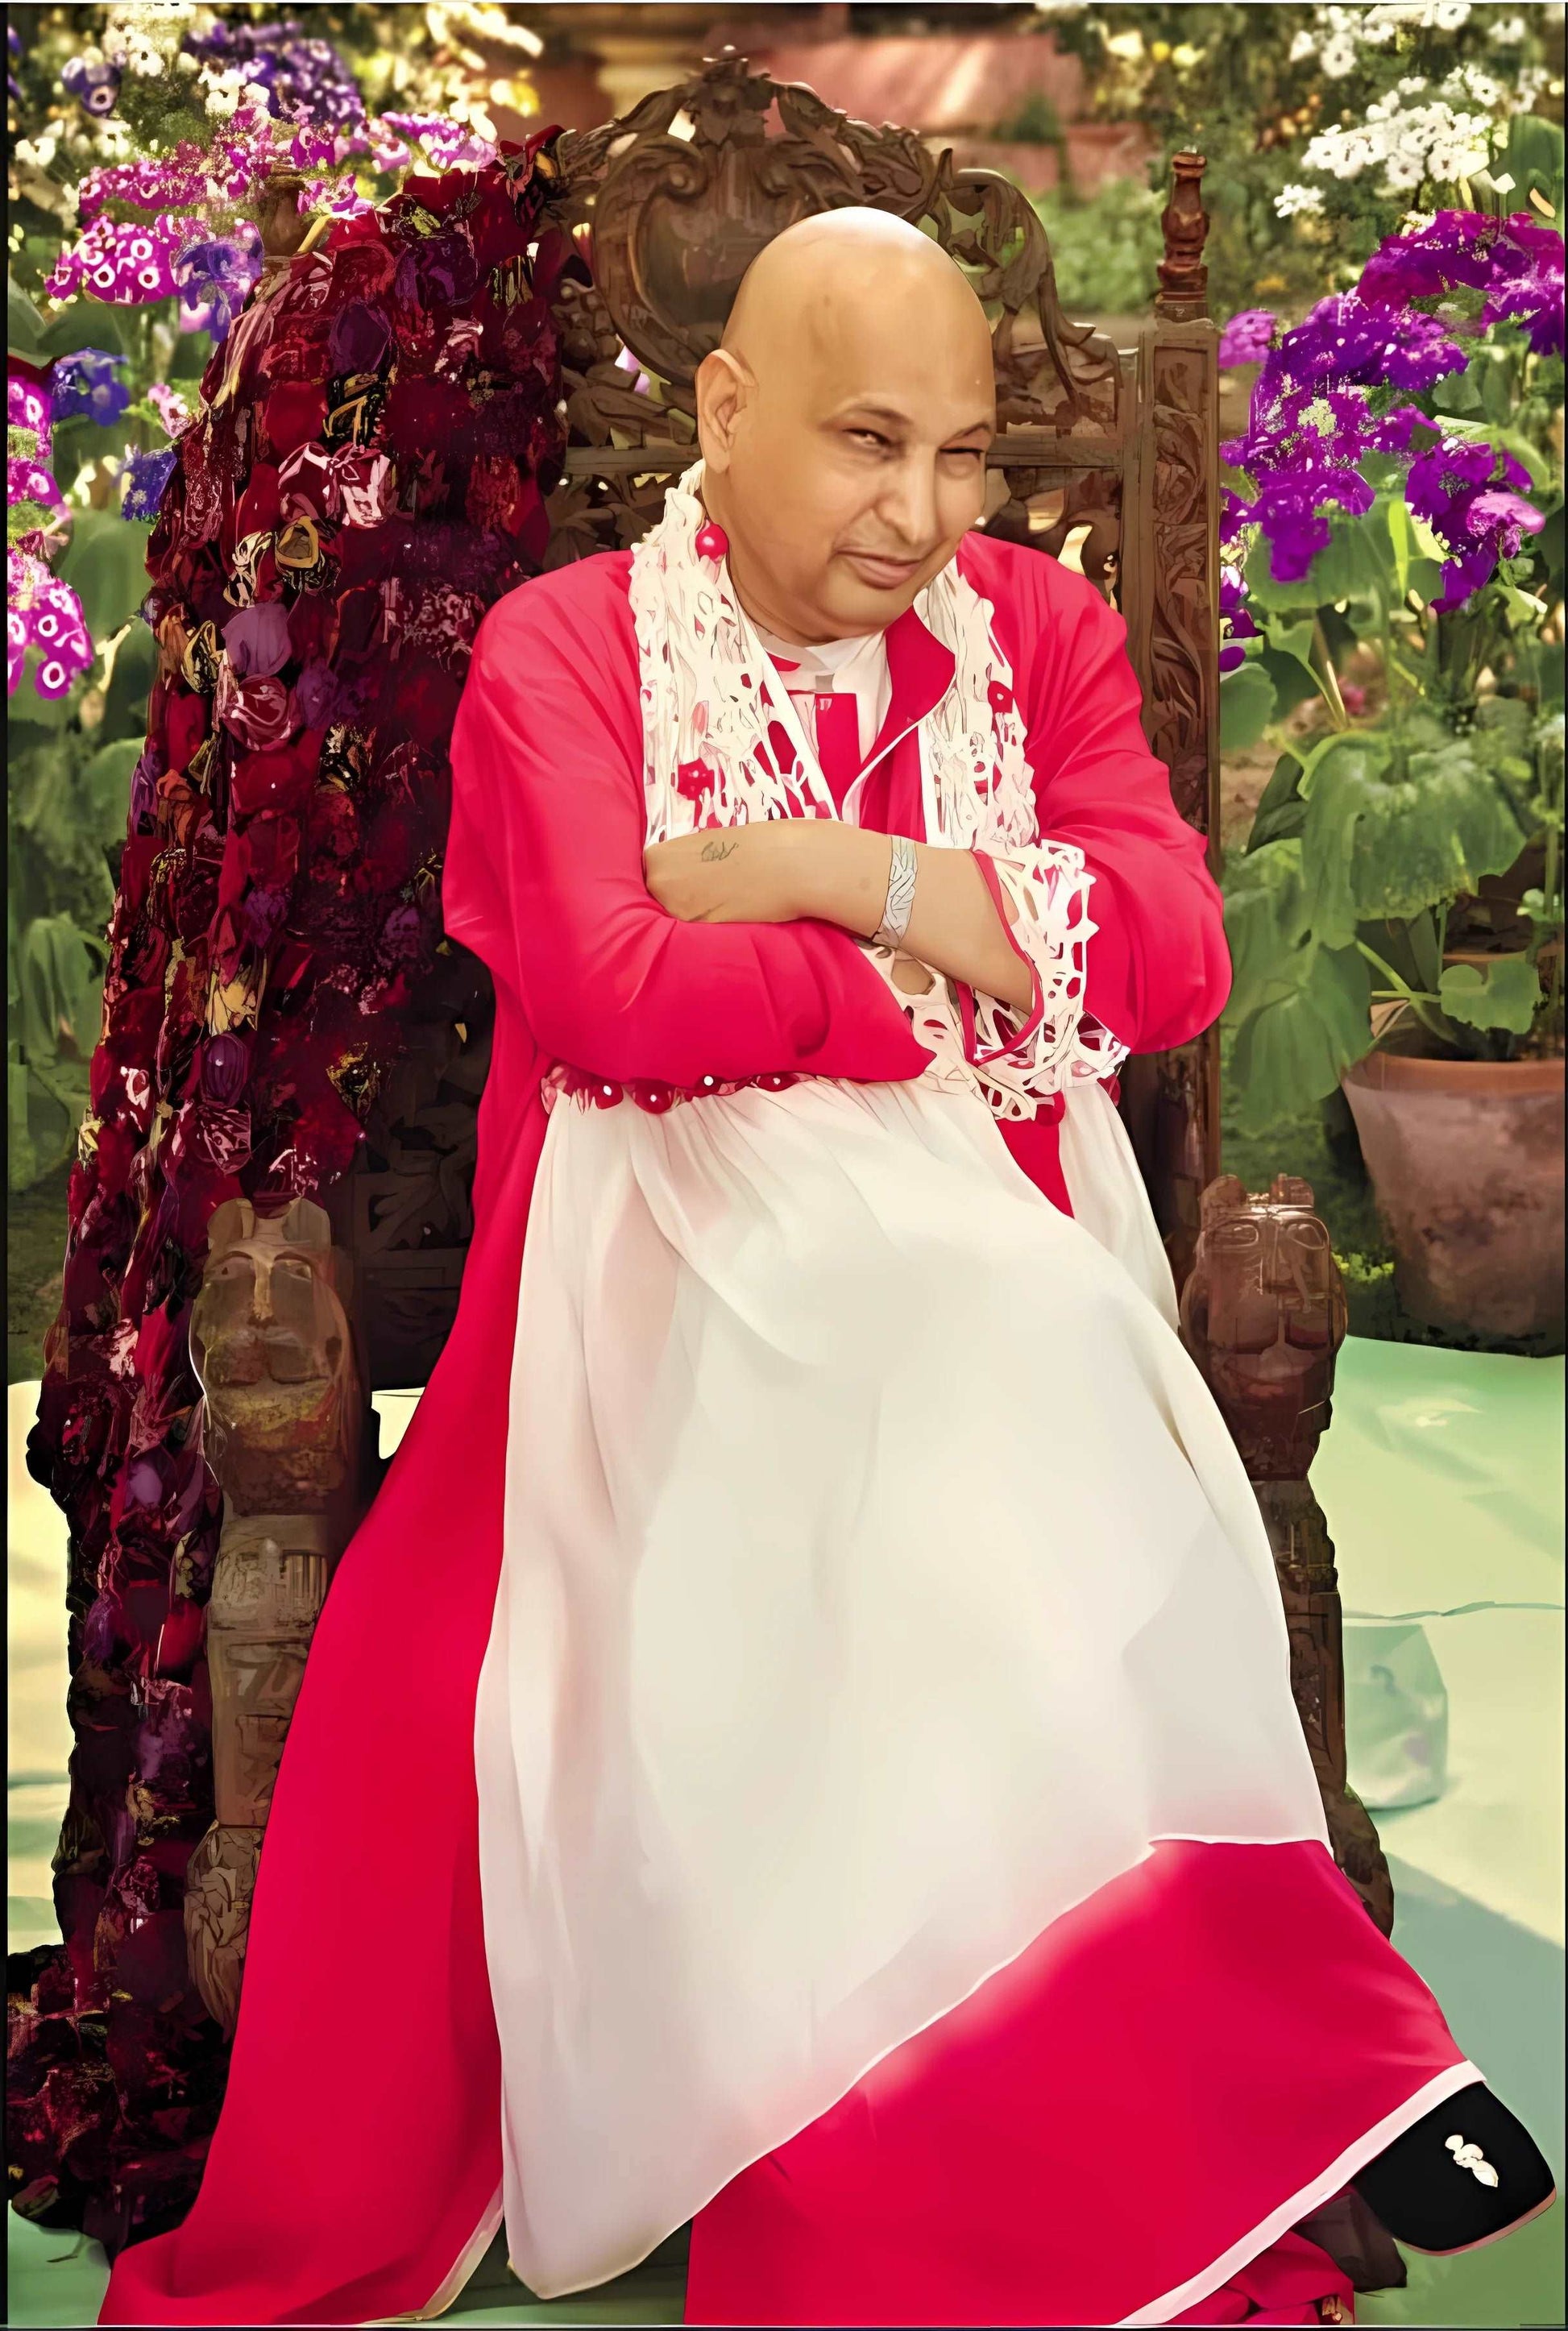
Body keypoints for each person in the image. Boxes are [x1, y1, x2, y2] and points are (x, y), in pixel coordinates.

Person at [99, 209, 1553, 2330]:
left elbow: (1164, 962)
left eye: (960, 454)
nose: (921, 511)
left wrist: (821, 878)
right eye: (868, 442)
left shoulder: (1035, 635)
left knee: (981, 1356)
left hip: (997, 1237)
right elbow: (605, 995)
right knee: (947, 1387)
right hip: (648, 1261)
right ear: (725, 408)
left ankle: (1280, 2065)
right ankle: (1301, 2069)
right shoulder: (568, 648)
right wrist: (944, 973)